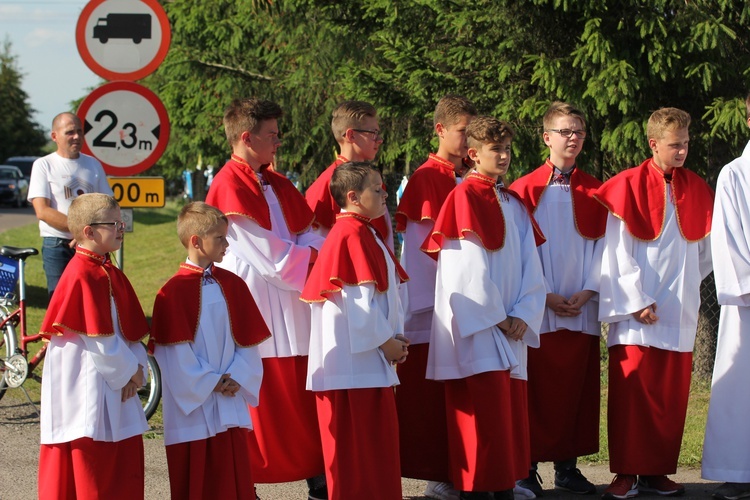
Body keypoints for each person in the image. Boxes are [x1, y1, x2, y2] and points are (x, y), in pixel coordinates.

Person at [205, 98, 328, 500]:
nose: (278, 142)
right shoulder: (229, 184)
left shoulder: (276, 181)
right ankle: (247, 484)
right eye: (271, 135)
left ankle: (317, 476)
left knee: (299, 394)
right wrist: (316, 259)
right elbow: (269, 258)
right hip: (256, 301)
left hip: (294, 302)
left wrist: (316, 251)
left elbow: (308, 229)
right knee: (261, 397)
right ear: (246, 137)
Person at [423, 116, 547, 500]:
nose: (505, 156)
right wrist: (501, 317)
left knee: (506, 417)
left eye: (508, 148)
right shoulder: (461, 198)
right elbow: (466, 273)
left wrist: (525, 314)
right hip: (480, 329)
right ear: (474, 154)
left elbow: (532, 265)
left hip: (511, 326)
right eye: (497, 150)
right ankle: (478, 491)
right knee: (482, 417)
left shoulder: (512, 201)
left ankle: (504, 487)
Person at [594, 107, 714, 499]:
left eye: (686, 144)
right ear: (653, 143)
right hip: (635, 313)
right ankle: (627, 472)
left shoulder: (695, 187)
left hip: (676, 309)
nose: (682, 151)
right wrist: (634, 300)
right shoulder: (626, 186)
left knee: (668, 397)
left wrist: (686, 288)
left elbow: (704, 252)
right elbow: (615, 250)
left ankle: (658, 470)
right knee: (633, 396)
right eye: (675, 144)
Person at [510, 102, 607, 496]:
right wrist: (544, 295)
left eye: (579, 132)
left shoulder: (597, 190)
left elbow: (608, 247)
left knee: (575, 389)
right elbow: (517, 252)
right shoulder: (522, 189)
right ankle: (526, 466)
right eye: (565, 131)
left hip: (582, 303)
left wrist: (589, 290)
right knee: (537, 387)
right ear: (546, 137)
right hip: (541, 306)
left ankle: (568, 468)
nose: (572, 139)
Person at [301, 161, 410, 500]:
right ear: (353, 196)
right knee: (358, 458)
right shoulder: (350, 234)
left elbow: (381, 294)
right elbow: (357, 302)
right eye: (377, 189)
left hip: (368, 360)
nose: (385, 193)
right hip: (353, 366)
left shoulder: (364, 231)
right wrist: (386, 342)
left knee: (373, 454)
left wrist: (395, 335)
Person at [150, 202, 272, 499]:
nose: (226, 244)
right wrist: (211, 382)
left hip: (229, 396)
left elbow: (248, 342)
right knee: (200, 479)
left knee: (233, 474)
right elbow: (173, 355)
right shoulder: (172, 292)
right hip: (196, 404)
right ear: (195, 241)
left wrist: (237, 377)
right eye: (219, 238)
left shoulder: (233, 284)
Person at [37, 193, 149, 500]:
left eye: (121, 221)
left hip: (114, 376)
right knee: (90, 454)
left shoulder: (108, 269)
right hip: (86, 379)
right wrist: (131, 373)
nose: (122, 228)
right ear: (88, 232)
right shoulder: (80, 273)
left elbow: (127, 330)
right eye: (114, 223)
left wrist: (136, 369)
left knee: (119, 457)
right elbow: (97, 339)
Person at [394, 94, 477, 500]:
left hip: (474, 306)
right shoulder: (426, 178)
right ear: (440, 130)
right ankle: (439, 474)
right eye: (463, 132)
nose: (469, 140)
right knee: (434, 397)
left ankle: (475, 471)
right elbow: (419, 250)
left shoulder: (473, 175)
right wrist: (447, 300)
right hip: (439, 310)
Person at [701, 93, 750, 500]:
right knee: (743, 386)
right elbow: (728, 240)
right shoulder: (735, 174)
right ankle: (738, 470)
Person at [27, 112, 113, 298]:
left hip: (93, 246)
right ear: (54, 136)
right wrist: (81, 233)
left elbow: (107, 206)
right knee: (61, 302)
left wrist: (88, 238)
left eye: (80, 132)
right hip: (58, 245)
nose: (76, 137)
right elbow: (42, 211)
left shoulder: (93, 164)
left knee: (94, 300)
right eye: (70, 132)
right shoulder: (44, 165)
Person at [305, 100, 394, 248]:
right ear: (351, 135)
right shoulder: (327, 182)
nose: (379, 140)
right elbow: (320, 244)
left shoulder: (372, 178)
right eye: (373, 133)